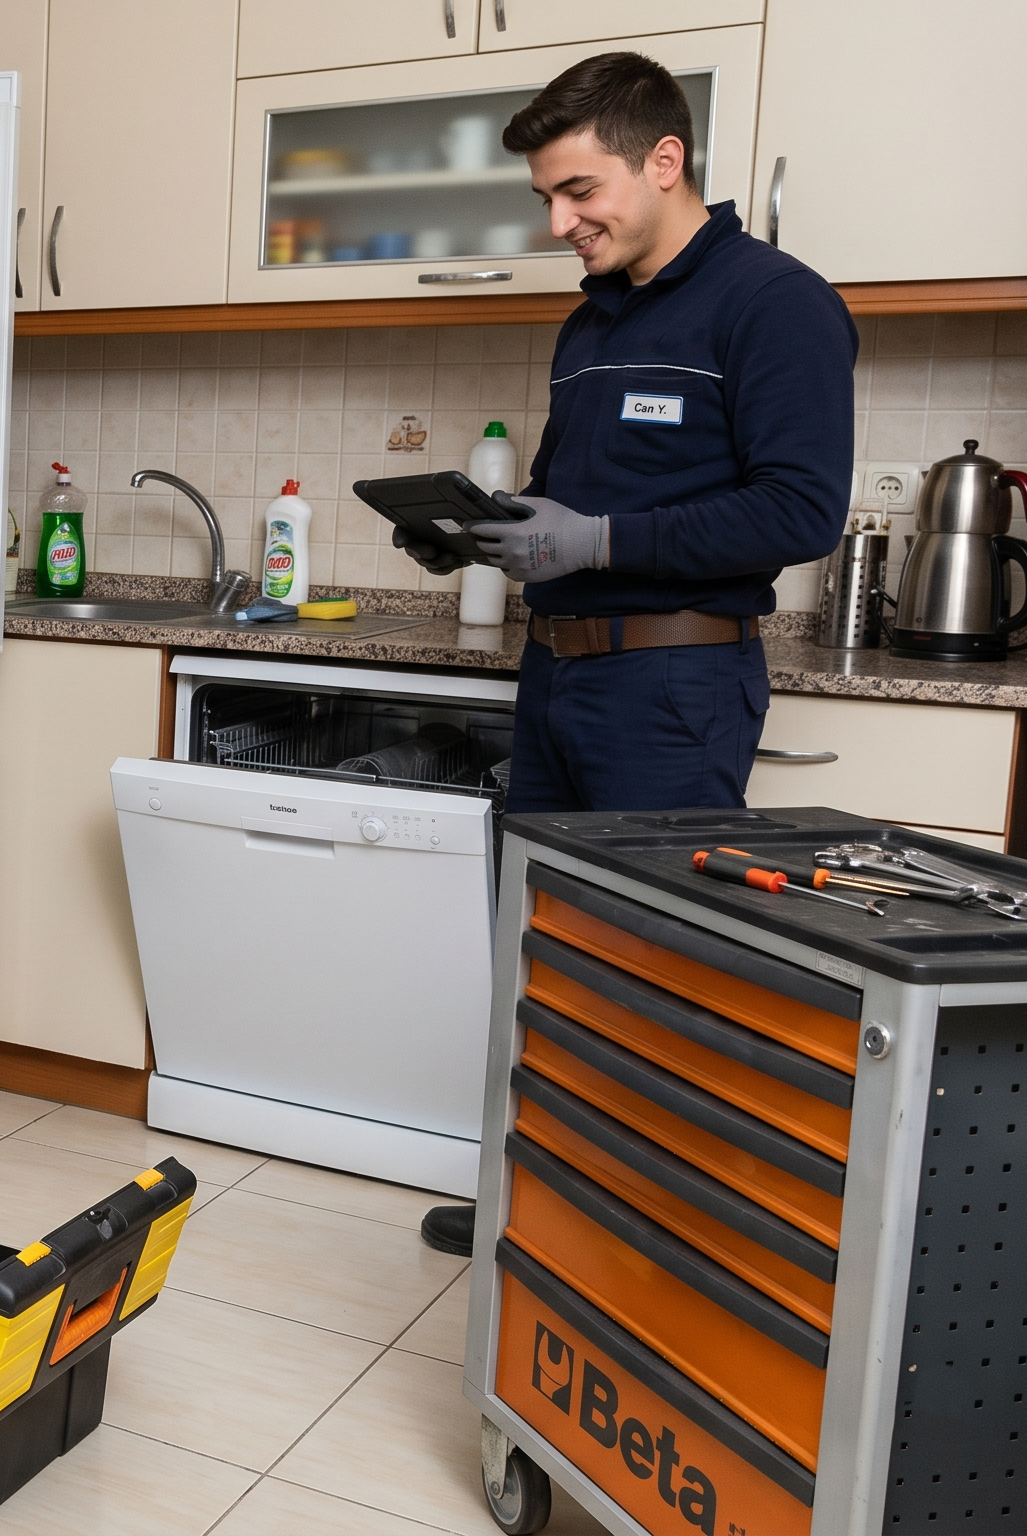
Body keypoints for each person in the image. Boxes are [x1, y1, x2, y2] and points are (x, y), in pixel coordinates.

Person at [394, 53, 854, 1256]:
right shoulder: (591, 318)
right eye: (544, 199)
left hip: (670, 685)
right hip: (559, 678)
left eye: (578, 190)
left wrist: (594, 538)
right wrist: (486, 538)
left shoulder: (774, 303)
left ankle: (645, 1240)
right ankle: (537, 1204)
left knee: (655, 971)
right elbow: (567, 505)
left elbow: (798, 511)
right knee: (540, 957)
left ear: (664, 160)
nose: (559, 223)